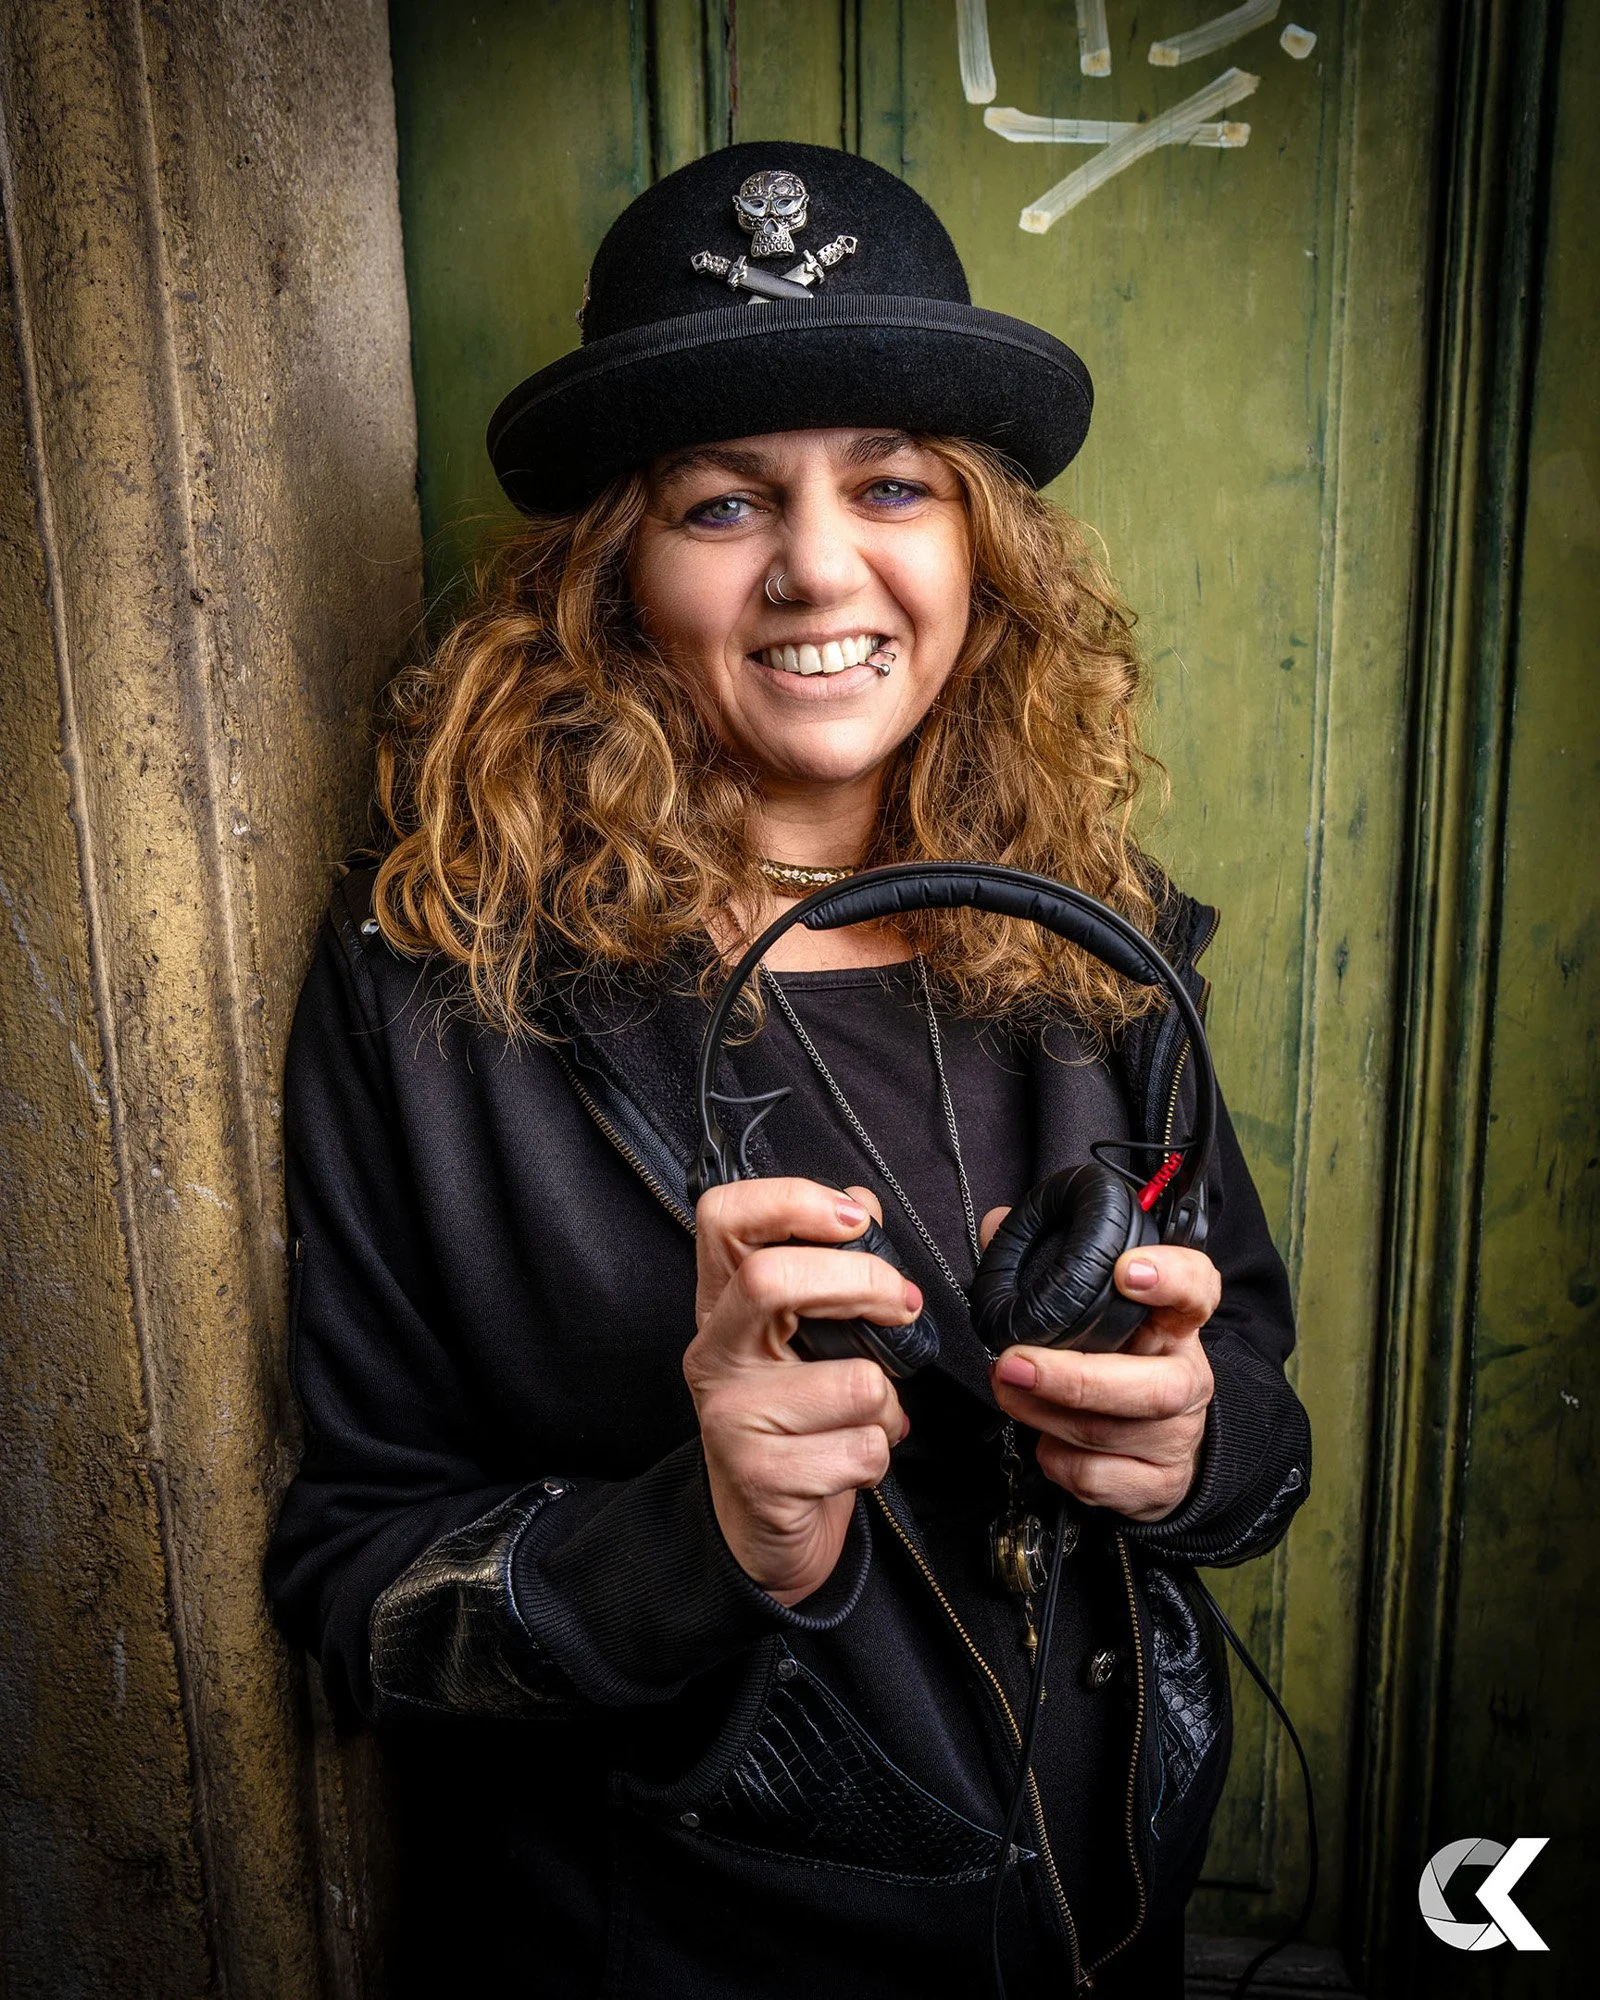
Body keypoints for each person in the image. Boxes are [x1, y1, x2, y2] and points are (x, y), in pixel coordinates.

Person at [266, 142, 1310, 1998]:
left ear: (982, 548)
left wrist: (1195, 1449)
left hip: (1107, 1929)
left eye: (893, 485)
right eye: (724, 505)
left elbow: (1257, 1408)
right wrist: (699, 1534)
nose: (823, 565)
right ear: (610, 581)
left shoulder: (1101, 938)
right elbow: (366, 1599)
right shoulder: (432, 991)